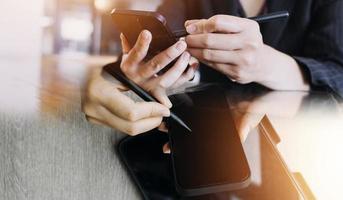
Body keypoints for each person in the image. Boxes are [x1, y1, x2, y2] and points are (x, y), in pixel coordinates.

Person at [82, 0, 343, 137]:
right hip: (199, 130)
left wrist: (268, 65)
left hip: (294, 143)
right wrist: (138, 71)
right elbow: (157, 41)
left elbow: (338, 73)